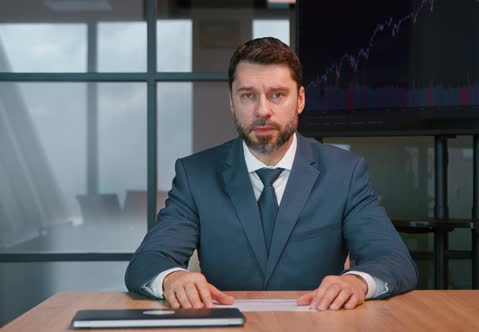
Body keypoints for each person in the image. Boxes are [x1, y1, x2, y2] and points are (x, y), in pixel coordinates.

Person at [125, 37, 417, 311]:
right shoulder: (195, 174)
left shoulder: (345, 172)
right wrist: (172, 278)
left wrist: (357, 282)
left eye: (277, 95)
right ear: (231, 102)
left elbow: (394, 261)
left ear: (300, 99)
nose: (262, 110)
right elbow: (147, 261)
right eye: (248, 95)